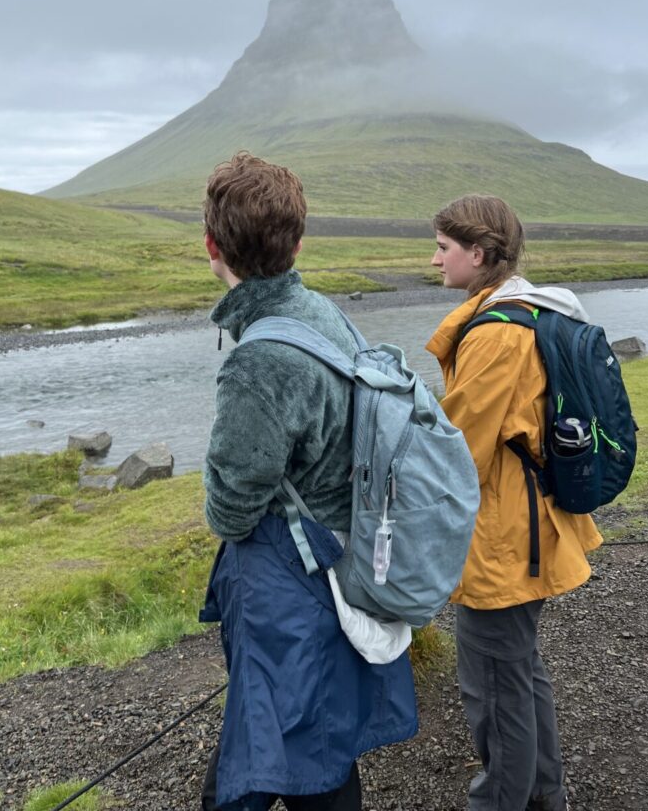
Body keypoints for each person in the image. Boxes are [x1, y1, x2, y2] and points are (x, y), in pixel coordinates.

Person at [199, 152, 418, 811]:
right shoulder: (321, 313)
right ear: (298, 243)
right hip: (338, 562)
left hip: (289, 588)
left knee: (288, 755)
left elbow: (233, 510)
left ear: (211, 247)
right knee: (318, 742)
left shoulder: (259, 361)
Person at [425, 194, 602, 811]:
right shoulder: (520, 311)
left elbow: (455, 450)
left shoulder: (496, 335)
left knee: (495, 690)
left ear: (478, 253)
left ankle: (501, 800)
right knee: (519, 674)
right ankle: (545, 795)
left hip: (503, 541)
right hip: (523, 525)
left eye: (444, 247)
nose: (435, 258)